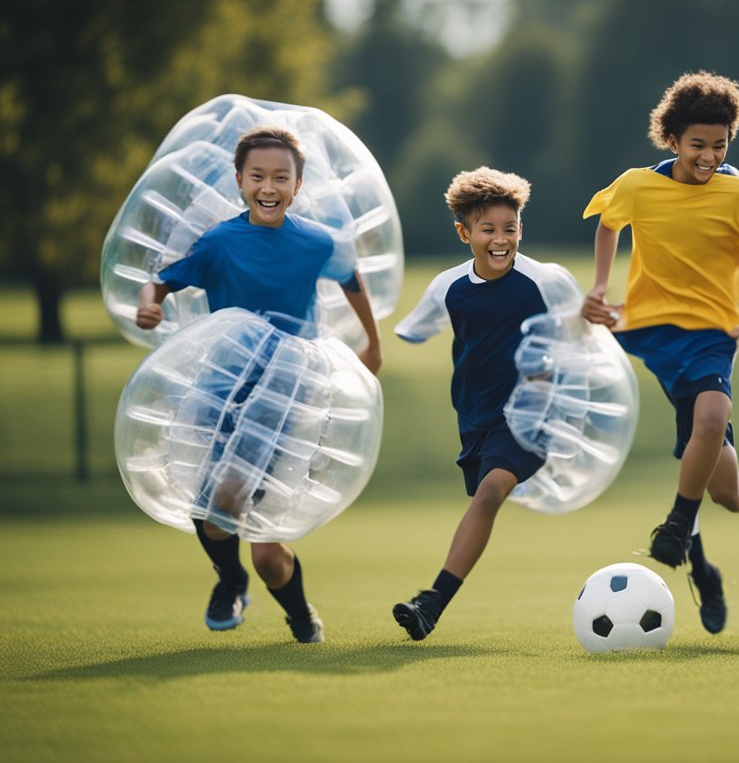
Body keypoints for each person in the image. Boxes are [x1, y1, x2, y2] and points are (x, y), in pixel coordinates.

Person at [136, 124, 384, 644]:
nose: (268, 187)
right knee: (213, 517)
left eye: (280, 177)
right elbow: (161, 278)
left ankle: (294, 612)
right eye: (257, 177)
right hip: (219, 394)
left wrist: (372, 344)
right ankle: (231, 580)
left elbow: (349, 276)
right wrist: (150, 303)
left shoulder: (316, 242)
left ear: (298, 184)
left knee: (263, 545)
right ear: (239, 180)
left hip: (287, 397)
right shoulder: (220, 243)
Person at [580, 71, 739, 635]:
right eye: (698, 144)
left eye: (720, 144)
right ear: (673, 139)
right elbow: (609, 224)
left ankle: (681, 533)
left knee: (710, 420)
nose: (709, 155)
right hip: (652, 330)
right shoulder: (637, 186)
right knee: (724, 489)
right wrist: (602, 287)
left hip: (713, 331)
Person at [390, 167, 555, 641]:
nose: (501, 240)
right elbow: (413, 328)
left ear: (521, 229)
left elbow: (581, 326)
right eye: (488, 230)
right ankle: (433, 603)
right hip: (475, 416)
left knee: (490, 492)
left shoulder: (542, 281)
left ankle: (432, 602)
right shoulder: (448, 287)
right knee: (483, 494)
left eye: (510, 228)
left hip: (530, 415)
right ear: (465, 233)